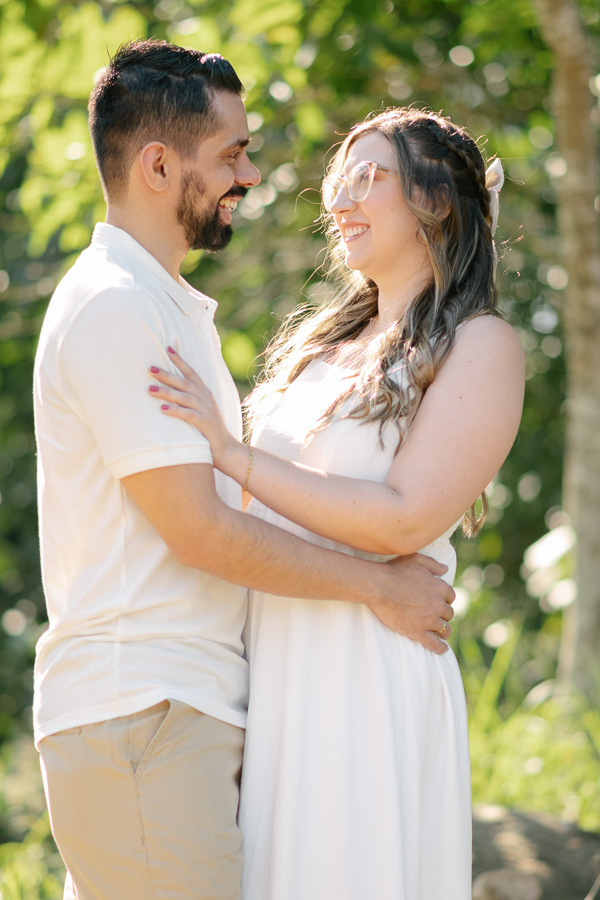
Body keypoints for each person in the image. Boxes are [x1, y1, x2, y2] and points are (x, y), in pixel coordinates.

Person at [33, 41, 455, 900]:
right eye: (232, 153)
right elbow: (198, 530)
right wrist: (378, 586)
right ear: (158, 164)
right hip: (140, 712)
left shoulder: (165, 306)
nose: (253, 174)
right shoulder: (116, 307)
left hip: (175, 714)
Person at [147, 108, 525, 899]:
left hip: (367, 672)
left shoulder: (480, 345)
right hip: (276, 668)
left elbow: (403, 517)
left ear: (439, 202)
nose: (342, 200)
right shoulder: (319, 347)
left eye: (371, 177)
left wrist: (230, 450)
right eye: (339, 181)